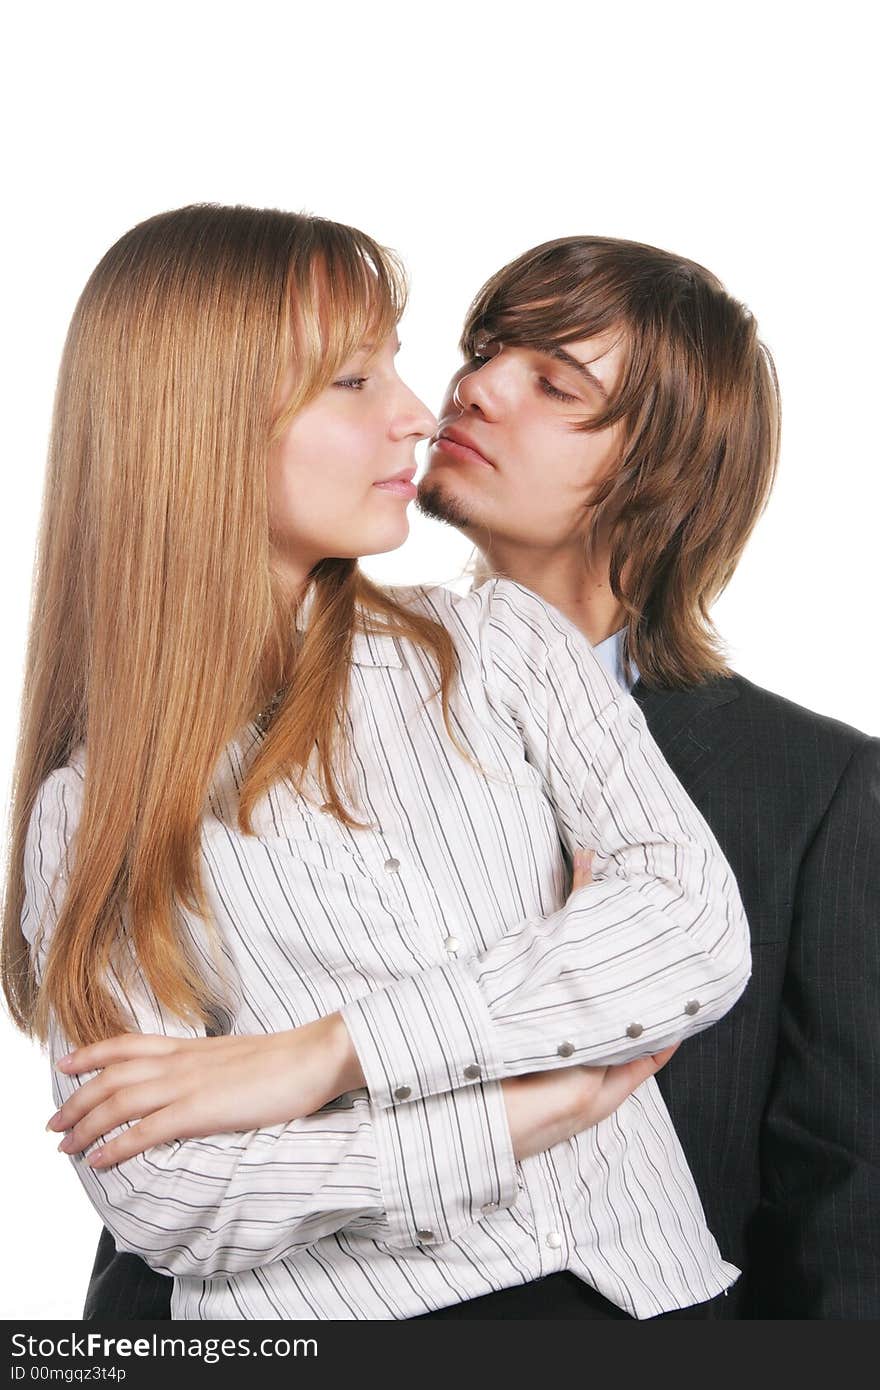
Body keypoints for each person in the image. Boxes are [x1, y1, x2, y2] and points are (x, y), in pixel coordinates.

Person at [1, 206, 752, 1322]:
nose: (417, 415)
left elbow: (692, 926)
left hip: (655, 1300)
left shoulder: (503, 643)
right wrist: (522, 1112)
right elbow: (164, 1191)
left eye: (398, 369)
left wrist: (322, 1058)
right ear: (196, 423)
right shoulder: (90, 806)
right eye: (353, 382)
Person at [415, 235, 880, 1317]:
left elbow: (844, 1211)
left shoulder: (811, 790)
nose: (473, 386)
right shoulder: (299, 707)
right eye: (483, 351)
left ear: (658, 472)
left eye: (551, 382)